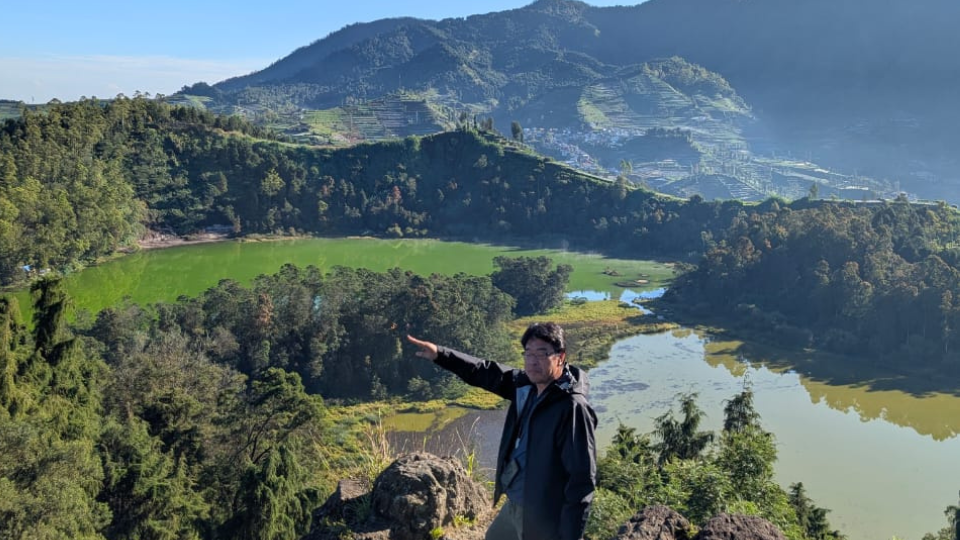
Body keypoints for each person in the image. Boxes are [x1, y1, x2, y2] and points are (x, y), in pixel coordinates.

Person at [406, 322, 597, 540]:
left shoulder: (572, 408)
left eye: (542, 353)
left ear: (560, 357)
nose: (533, 361)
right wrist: (440, 354)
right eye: (528, 353)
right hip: (515, 503)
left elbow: (581, 481)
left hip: (543, 516)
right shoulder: (525, 386)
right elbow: (483, 371)